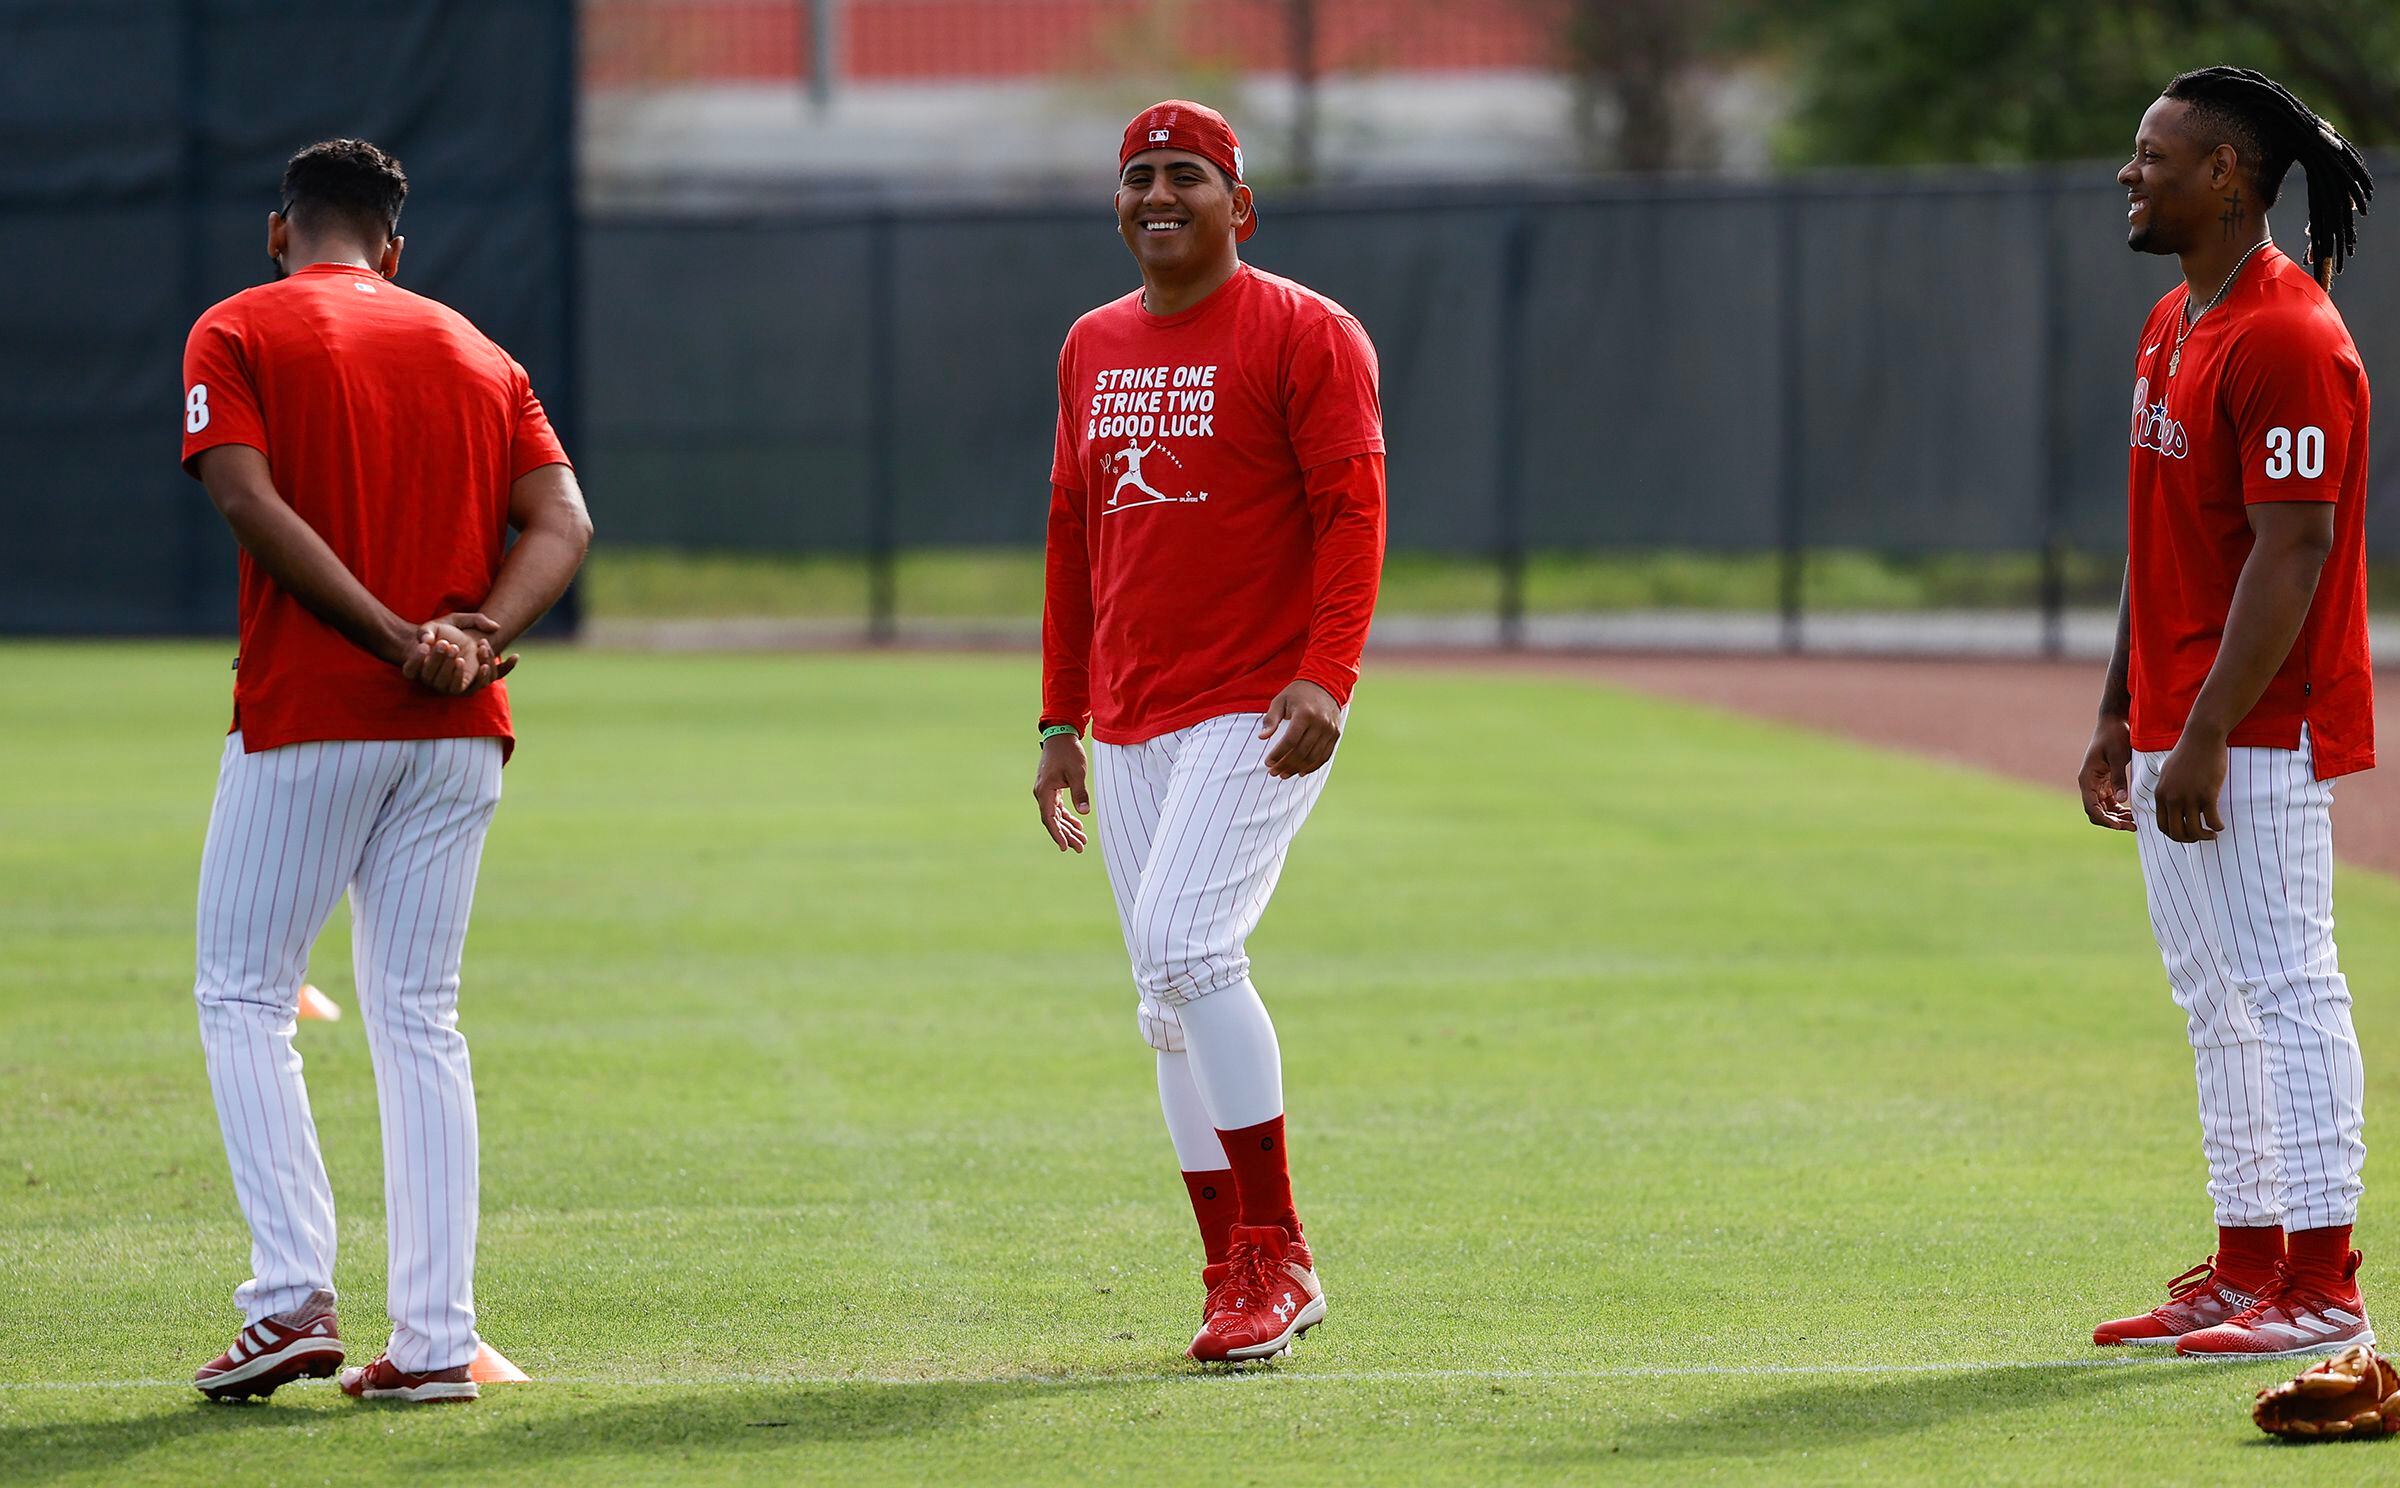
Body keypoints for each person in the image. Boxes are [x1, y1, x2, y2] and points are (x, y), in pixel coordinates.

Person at [181, 139, 591, 1402]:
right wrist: (475, 637)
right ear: (396, 248)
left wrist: (392, 637)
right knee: (421, 1019)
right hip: (460, 735)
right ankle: (431, 1344)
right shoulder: (478, 349)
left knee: (245, 994)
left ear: (278, 231)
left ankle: (292, 1297)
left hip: (314, 711)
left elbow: (246, 502)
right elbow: (565, 521)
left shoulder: (237, 327)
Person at [1033, 100, 1385, 1363]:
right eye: (1137, 178)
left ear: (1242, 206)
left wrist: (1327, 678)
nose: (1158, 194)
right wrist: (1056, 716)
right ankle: (1224, 1266)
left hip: (1259, 697)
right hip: (1127, 713)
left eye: (1187, 176)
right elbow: (1075, 533)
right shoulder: (1091, 343)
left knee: (1188, 940)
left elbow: (1354, 512)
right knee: (1163, 1002)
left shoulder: (1306, 331)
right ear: (1117, 206)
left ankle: (1278, 1254)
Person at [2081, 67, 2376, 1358]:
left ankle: (2322, 1285)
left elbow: (2292, 555)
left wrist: (2200, 730)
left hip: (2256, 724)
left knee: (2289, 982)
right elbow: (2165, 543)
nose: (2130, 175)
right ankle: (2247, 1261)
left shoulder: (2289, 334)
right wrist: (2119, 708)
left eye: (2156, 156)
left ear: (2228, 179)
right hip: (2173, 713)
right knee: (2215, 995)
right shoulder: (2171, 322)